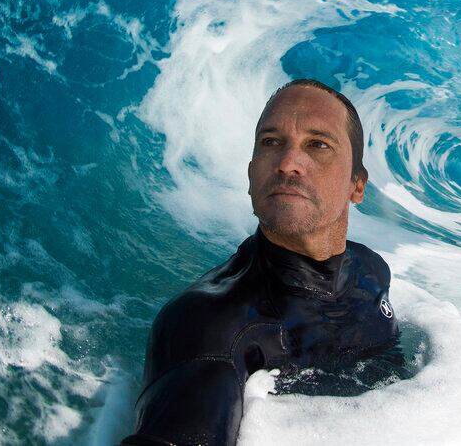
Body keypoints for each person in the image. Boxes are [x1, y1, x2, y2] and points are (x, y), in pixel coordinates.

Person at [123, 79, 398, 446]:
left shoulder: (370, 271)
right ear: (252, 174)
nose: (287, 163)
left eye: (317, 145)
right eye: (271, 142)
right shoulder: (211, 328)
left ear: (357, 186)